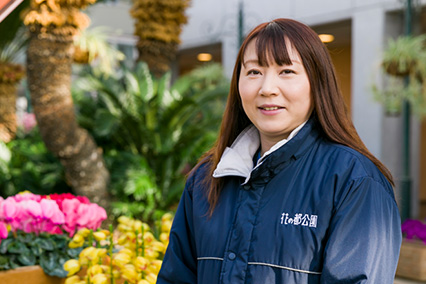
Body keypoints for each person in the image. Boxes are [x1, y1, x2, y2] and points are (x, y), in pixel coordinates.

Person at [157, 18, 402, 284]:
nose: (267, 89)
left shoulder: (355, 180)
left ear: (317, 82)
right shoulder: (206, 179)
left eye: (286, 71)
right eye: (253, 72)